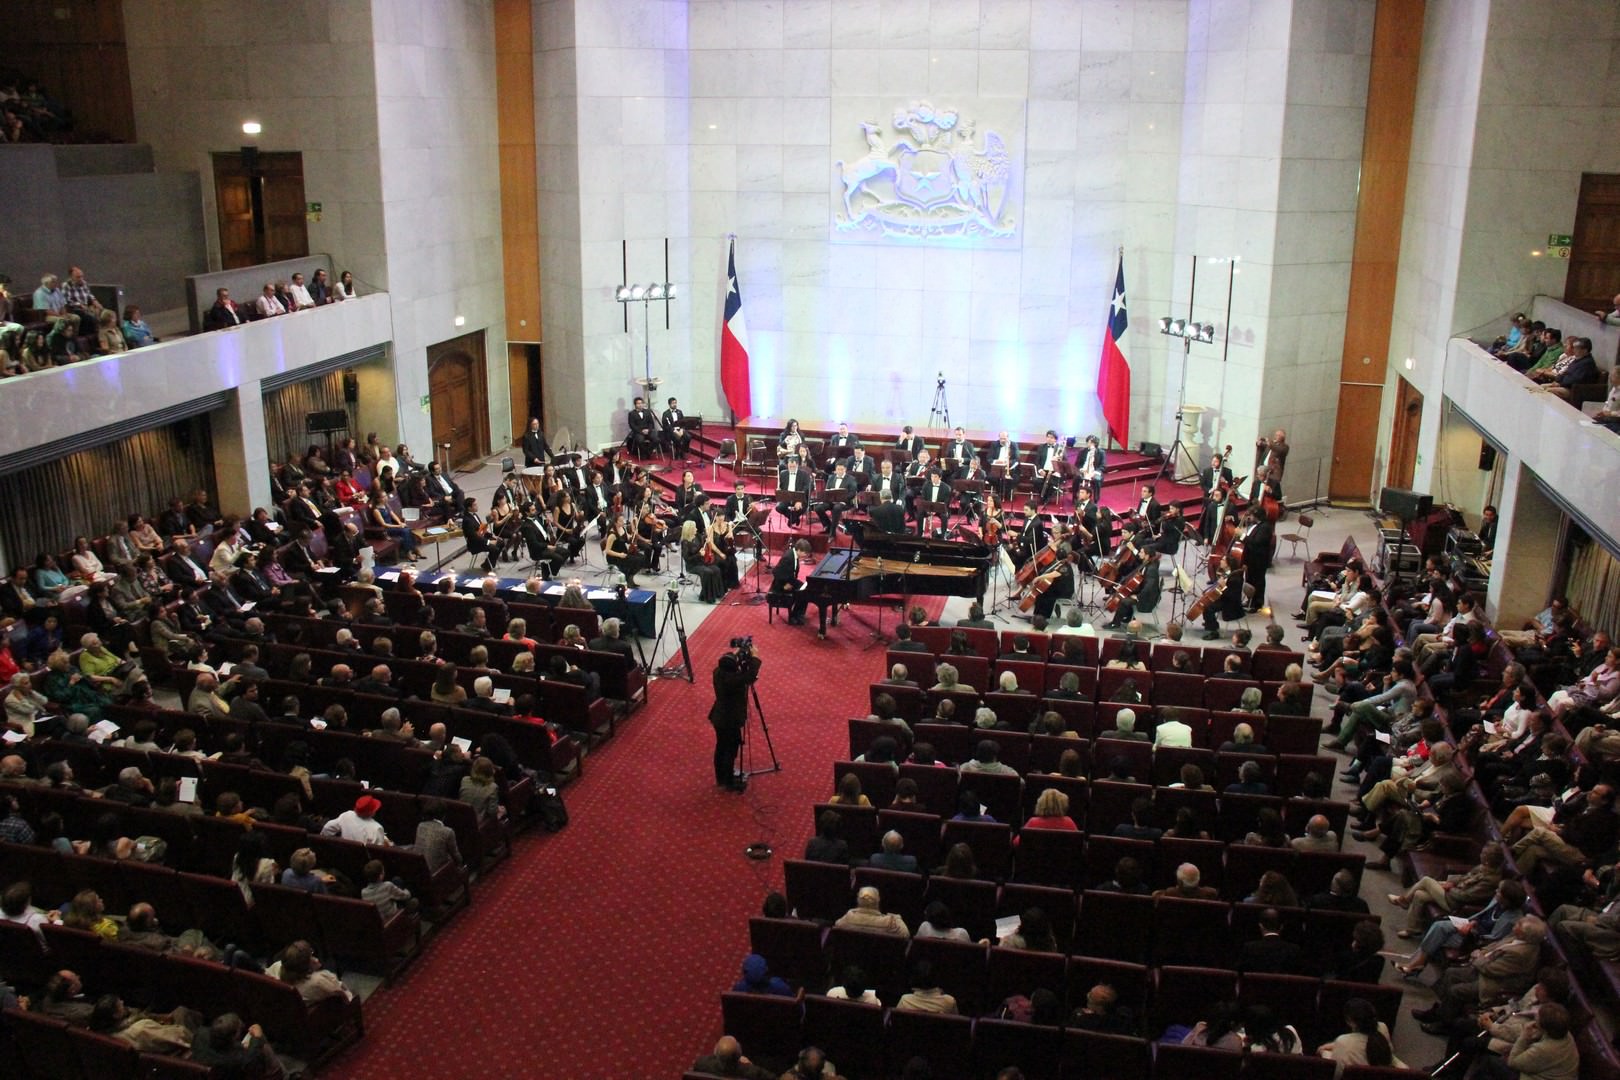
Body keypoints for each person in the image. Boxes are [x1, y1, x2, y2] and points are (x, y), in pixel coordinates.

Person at [710, 645, 760, 792]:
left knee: (720, 747)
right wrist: (755, 657)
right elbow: (750, 676)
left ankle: (721, 778)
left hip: (718, 716)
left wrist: (737, 653)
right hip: (729, 719)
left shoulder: (718, 673)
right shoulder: (734, 681)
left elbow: (730, 665)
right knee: (731, 749)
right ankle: (729, 781)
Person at [835, 886, 909, 937]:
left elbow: (837, 926)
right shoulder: (892, 923)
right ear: (878, 899)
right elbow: (905, 935)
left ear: (858, 900)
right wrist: (897, 918)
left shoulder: (847, 919)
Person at [691, 1035, 777, 1079]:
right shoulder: (753, 1072)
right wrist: (750, 1065)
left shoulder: (702, 1064)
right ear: (740, 1054)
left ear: (715, 1053)